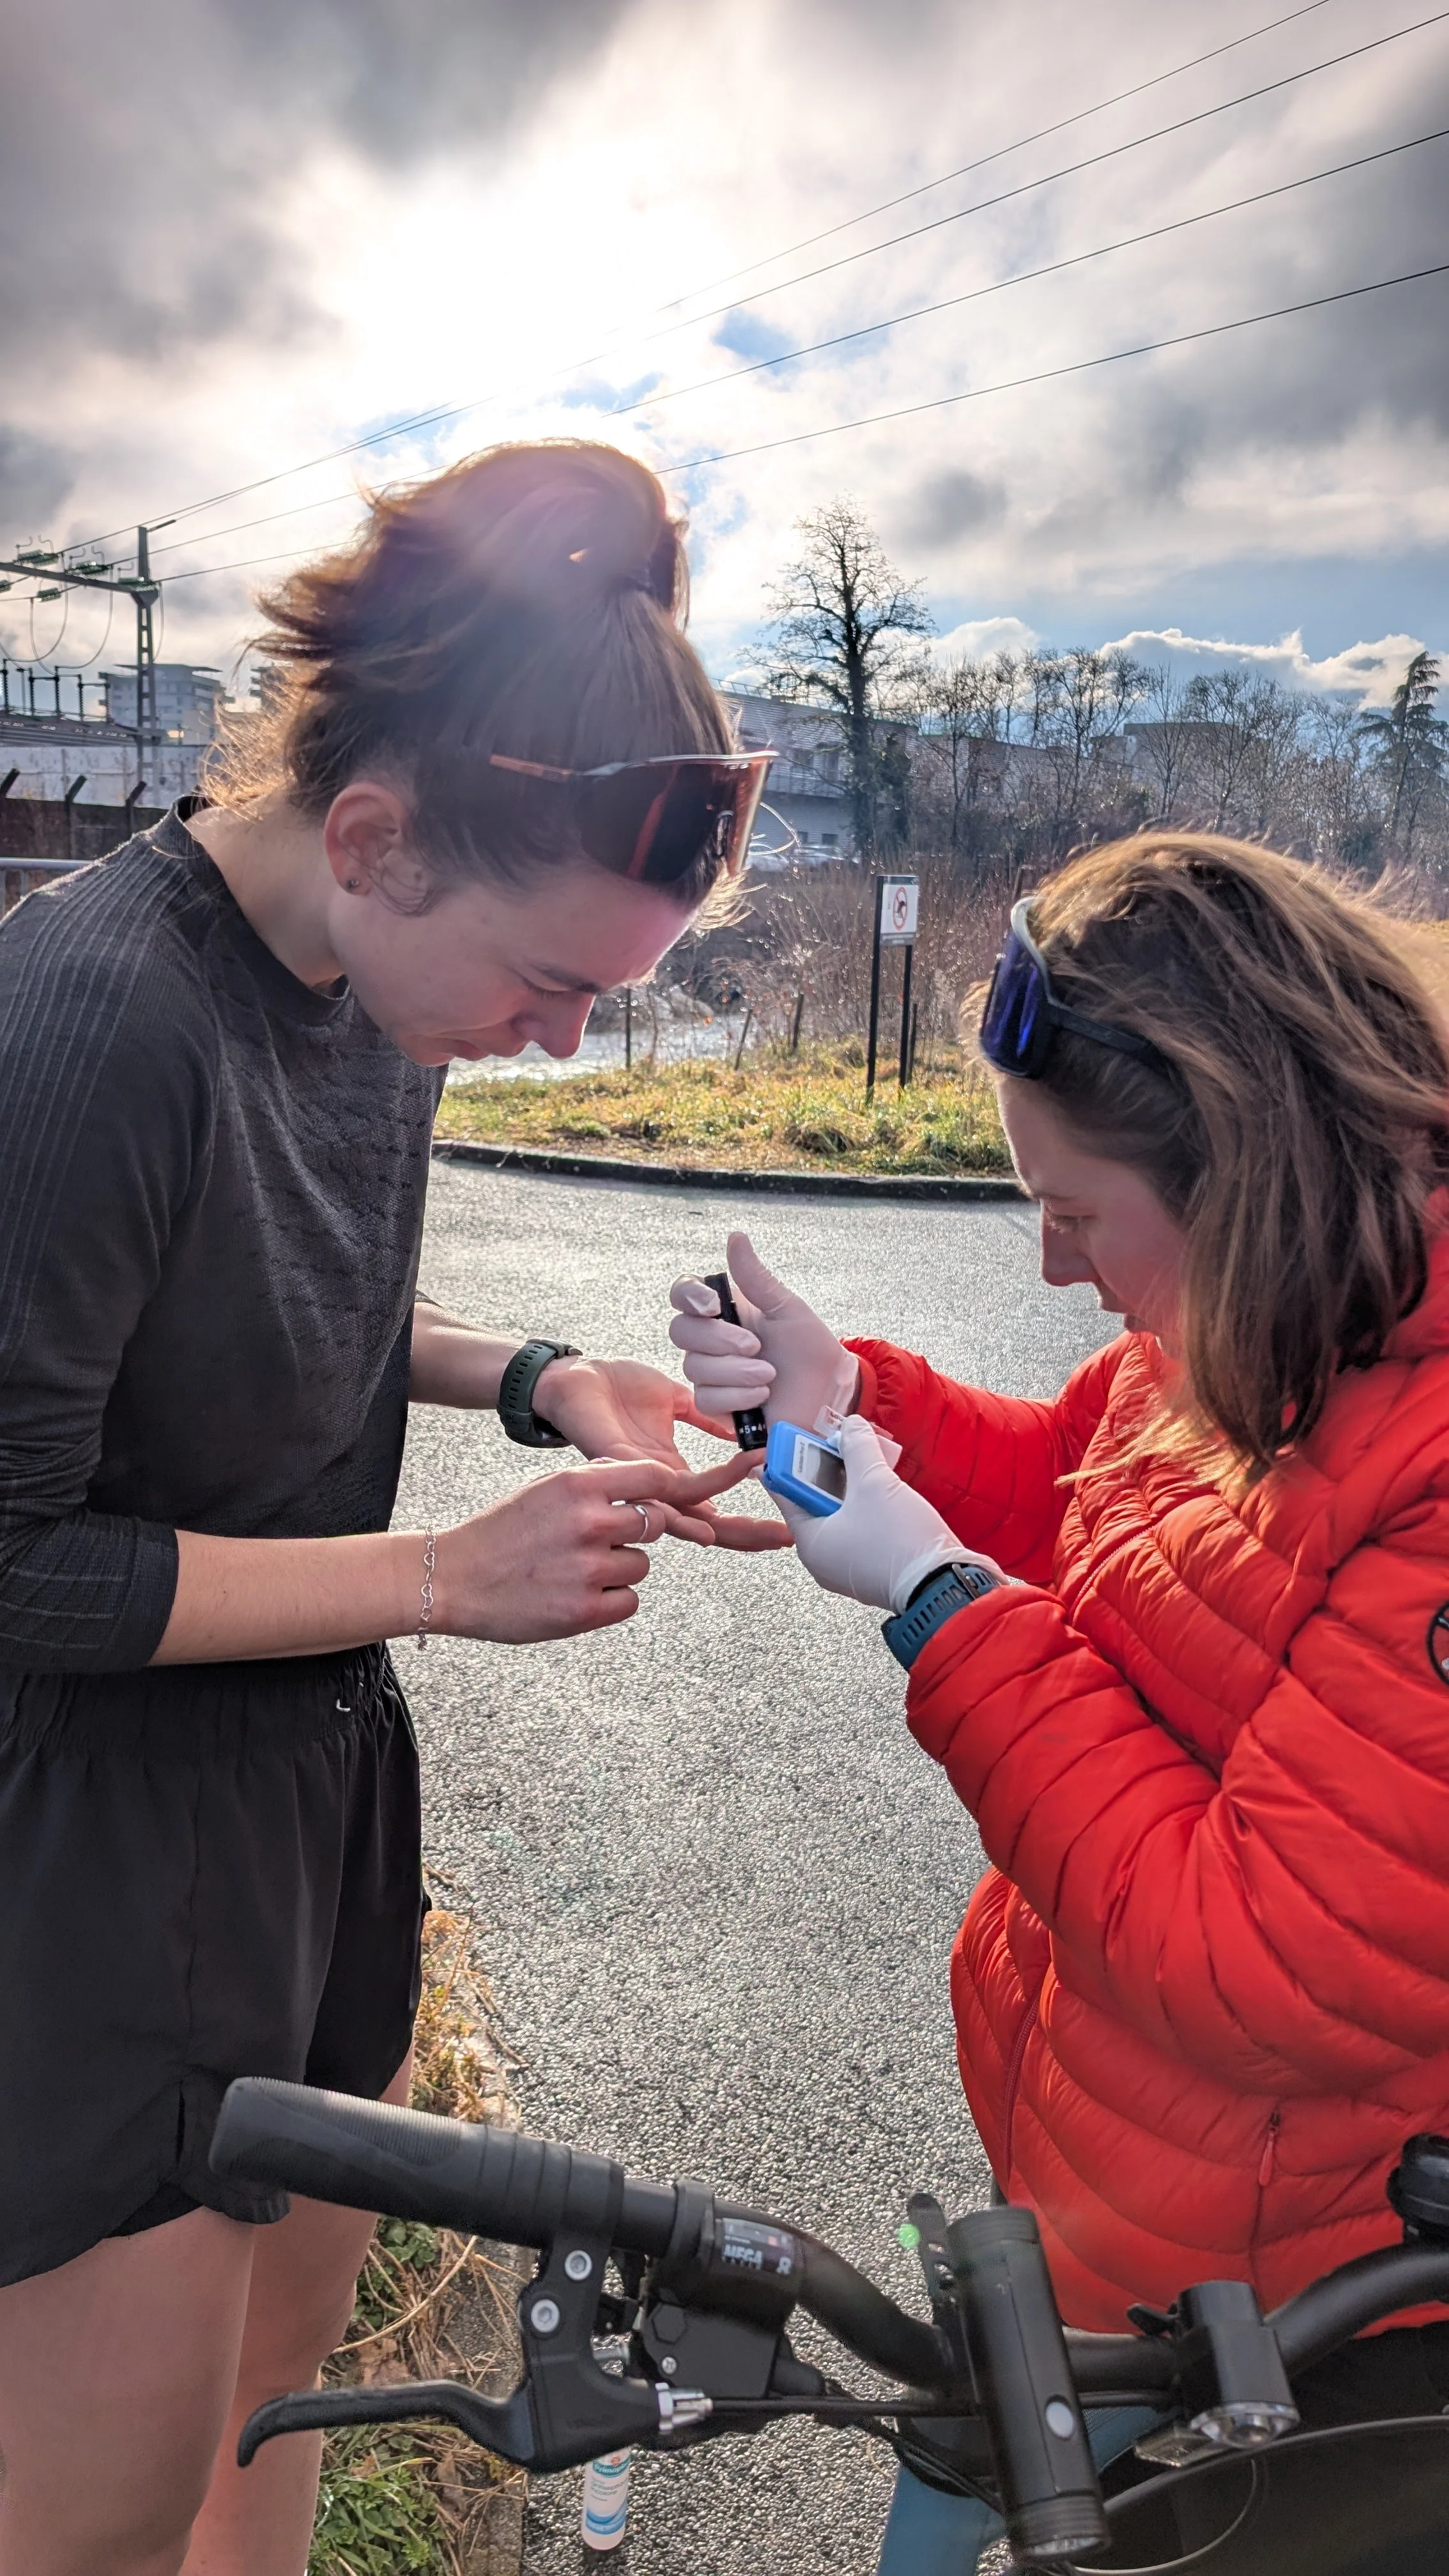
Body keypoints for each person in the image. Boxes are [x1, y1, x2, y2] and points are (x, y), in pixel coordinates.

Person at [0, 438, 788, 2576]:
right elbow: (11, 1561)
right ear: (371, 835)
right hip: (97, 1848)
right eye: (551, 982)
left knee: (283, 2391)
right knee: (102, 2514)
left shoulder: (371, 971)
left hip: (313, 1785)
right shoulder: (88, 1024)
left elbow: (261, 1284)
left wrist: (537, 1376)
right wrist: (438, 1574)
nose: (562, 1042)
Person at [671, 832, 1449, 2569]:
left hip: (1298, 2286)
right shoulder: (1269, 1301)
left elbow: (1250, 1957)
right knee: (952, 2479)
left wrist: (934, 1599)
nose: (1048, 1268)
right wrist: (849, 1401)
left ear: (1246, 1174)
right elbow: (1089, 1499)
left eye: (1076, 1214)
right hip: (1124, 2185)